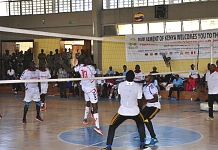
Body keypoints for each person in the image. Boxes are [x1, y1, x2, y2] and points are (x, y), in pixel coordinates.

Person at [101, 70, 151, 150]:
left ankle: (108, 146)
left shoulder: (120, 85)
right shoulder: (138, 86)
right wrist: (139, 109)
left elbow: (120, 95)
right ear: (134, 77)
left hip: (122, 111)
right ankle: (142, 144)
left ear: (125, 77)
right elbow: (139, 100)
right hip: (135, 111)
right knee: (141, 124)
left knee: (112, 126)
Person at [58, 57, 103, 135]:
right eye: (89, 59)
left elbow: (69, 70)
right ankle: (97, 126)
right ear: (87, 61)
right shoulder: (91, 68)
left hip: (84, 88)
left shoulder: (80, 66)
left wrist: (63, 64)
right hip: (91, 88)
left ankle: (85, 119)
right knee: (95, 106)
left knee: (88, 103)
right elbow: (96, 74)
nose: (90, 60)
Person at [134, 75, 160, 146]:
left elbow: (156, 99)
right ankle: (142, 134)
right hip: (148, 106)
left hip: (155, 107)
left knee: (146, 119)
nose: (146, 77)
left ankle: (154, 138)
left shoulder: (152, 87)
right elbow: (143, 99)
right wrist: (140, 107)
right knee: (139, 118)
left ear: (151, 79)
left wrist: (146, 101)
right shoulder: (145, 87)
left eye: (148, 77)